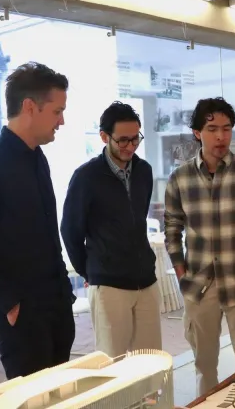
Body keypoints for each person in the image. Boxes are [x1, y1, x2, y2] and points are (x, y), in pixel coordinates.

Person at [0, 62, 75, 379]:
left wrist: (64, 292)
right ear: (29, 107)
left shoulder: (38, 158)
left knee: (63, 392)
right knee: (33, 396)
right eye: (57, 111)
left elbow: (46, 233)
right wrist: (7, 303)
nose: (62, 121)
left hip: (55, 302)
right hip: (21, 311)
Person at [164, 97, 235, 397]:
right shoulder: (180, 178)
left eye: (226, 129)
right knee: (204, 365)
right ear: (197, 132)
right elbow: (172, 230)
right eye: (212, 129)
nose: (221, 136)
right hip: (199, 286)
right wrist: (183, 276)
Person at [61, 101, 161, 357]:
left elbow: (138, 219)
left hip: (146, 280)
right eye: (123, 140)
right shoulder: (86, 177)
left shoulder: (144, 171)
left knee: (151, 361)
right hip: (109, 284)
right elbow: (70, 231)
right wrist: (91, 271)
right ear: (104, 137)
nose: (131, 146)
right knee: (112, 362)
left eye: (135, 139)